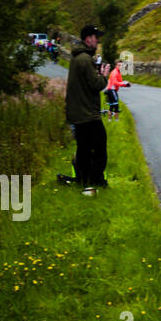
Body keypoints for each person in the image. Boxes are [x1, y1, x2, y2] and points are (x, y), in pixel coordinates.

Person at [61, 25, 110, 194]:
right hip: (87, 113)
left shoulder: (77, 58)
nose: (98, 41)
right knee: (100, 147)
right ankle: (96, 179)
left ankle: (83, 180)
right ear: (88, 39)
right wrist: (103, 75)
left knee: (84, 148)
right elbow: (96, 85)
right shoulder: (85, 59)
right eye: (96, 37)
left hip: (78, 112)